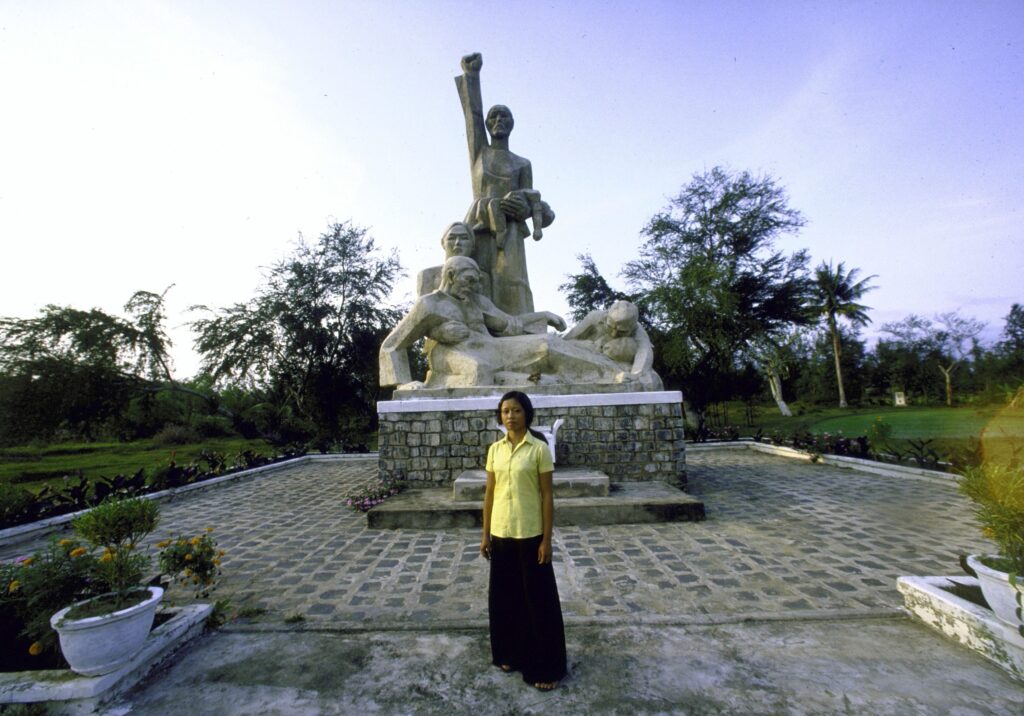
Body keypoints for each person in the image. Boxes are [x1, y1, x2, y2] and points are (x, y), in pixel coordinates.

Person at [455, 52, 555, 316]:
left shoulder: (522, 163)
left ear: (512, 125)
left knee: (511, 281)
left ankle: (517, 327)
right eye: (493, 117)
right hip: (479, 224)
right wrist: (472, 76)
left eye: (504, 117)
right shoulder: (480, 152)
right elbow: (472, 116)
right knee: (476, 277)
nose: (498, 121)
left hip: (510, 231)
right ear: (488, 125)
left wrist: (523, 208)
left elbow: (529, 199)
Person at [480, 391, 567, 691]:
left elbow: (547, 496)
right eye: (505, 411)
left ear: (526, 414)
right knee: (505, 599)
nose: (510, 416)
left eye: (516, 410)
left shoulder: (539, 449)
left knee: (539, 602)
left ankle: (547, 667)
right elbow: (490, 494)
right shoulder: (495, 450)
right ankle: (509, 654)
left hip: (530, 535)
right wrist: (485, 534)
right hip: (501, 533)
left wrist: (547, 539)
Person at [562, 300, 664, 389]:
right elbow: (566, 342)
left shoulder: (638, 331)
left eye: (622, 332)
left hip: (616, 363)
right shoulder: (595, 317)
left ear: (632, 328)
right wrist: (584, 345)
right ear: (606, 317)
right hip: (586, 353)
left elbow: (644, 352)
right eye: (610, 327)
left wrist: (635, 375)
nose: (614, 334)